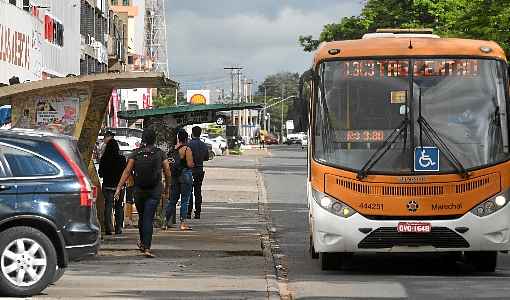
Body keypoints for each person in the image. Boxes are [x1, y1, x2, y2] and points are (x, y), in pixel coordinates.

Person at [115, 128, 171, 258]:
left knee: (142, 216)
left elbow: (127, 171)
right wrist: (167, 188)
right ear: (154, 139)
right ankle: (146, 246)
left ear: (143, 139)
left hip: (139, 190)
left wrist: (119, 187)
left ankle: (143, 243)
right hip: (155, 190)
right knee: (148, 218)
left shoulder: (136, 153)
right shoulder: (160, 153)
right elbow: (167, 172)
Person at [165, 130, 195, 231]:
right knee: (185, 200)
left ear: (178, 138)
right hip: (185, 175)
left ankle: (165, 222)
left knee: (172, 201)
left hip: (174, 176)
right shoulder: (187, 149)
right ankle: (183, 223)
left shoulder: (173, 149)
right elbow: (190, 164)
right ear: (186, 139)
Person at [98, 139, 126, 235]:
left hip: (107, 186)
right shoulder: (122, 159)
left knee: (108, 206)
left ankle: (108, 228)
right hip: (119, 186)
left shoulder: (103, 159)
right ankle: (118, 228)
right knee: (119, 206)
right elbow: (125, 173)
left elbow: (100, 174)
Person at [187, 126, 209, 219]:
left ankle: (188, 212)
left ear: (192, 133)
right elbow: (206, 158)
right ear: (200, 133)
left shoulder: (189, 144)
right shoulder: (204, 145)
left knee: (189, 192)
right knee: (198, 191)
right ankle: (198, 212)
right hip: (200, 170)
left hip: (190, 170)